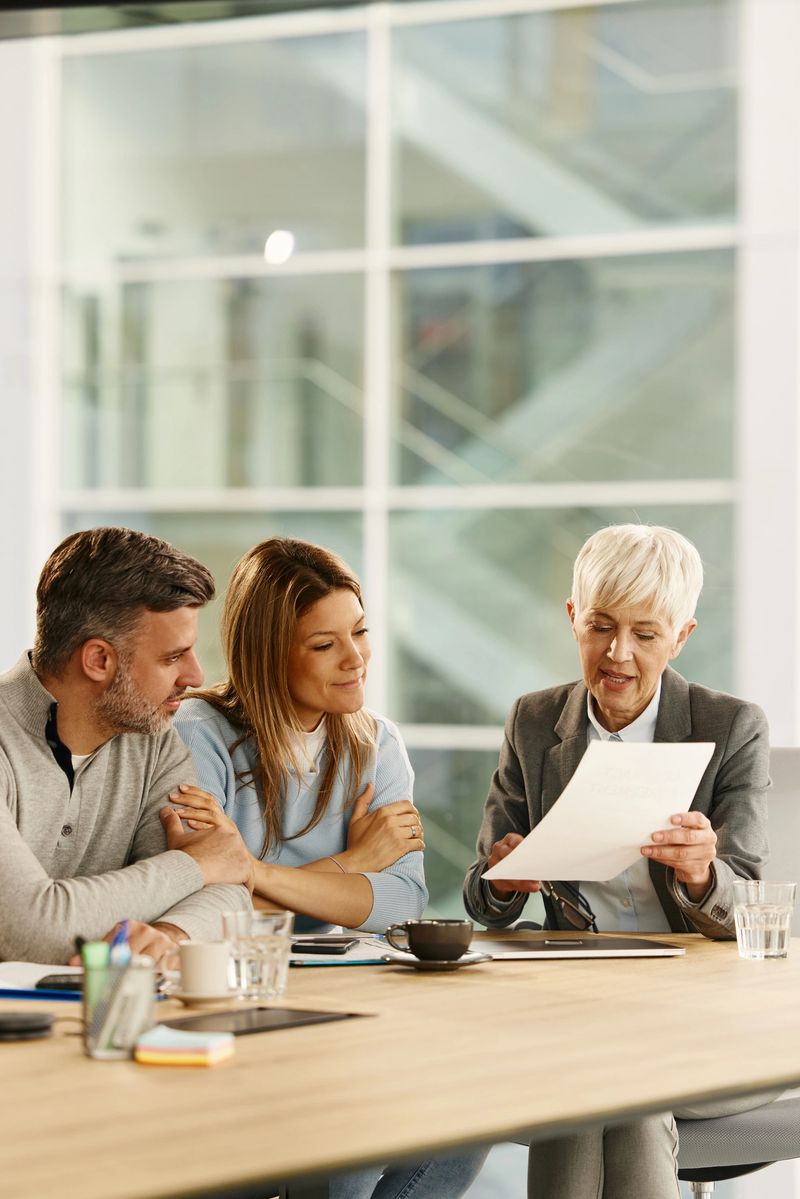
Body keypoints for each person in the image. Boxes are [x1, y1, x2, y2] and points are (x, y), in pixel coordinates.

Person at [173, 536, 488, 1199]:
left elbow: (400, 901)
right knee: (344, 1153)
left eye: (361, 631)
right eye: (324, 644)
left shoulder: (377, 742)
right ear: (268, 652)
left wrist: (253, 872)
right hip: (240, 1005)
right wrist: (350, 865)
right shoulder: (200, 732)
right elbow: (204, 903)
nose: (356, 659)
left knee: (473, 1108)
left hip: (358, 1003)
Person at [463, 523, 771, 1199]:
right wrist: (504, 878)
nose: (618, 653)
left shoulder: (732, 726)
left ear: (681, 636)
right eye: (600, 625)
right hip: (580, 999)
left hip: (701, 1010)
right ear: (574, 618)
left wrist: (702, 874)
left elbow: (749, 906)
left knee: (614, 1086)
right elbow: (480, 901)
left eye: (646, 633)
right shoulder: (535, 722)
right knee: (598, 1075)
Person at [0, 526, 252, 965]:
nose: (195, 676)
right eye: (172, 657)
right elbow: (29, 930)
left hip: (98, 1010)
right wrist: (194, 866)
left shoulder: (155, 741)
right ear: (98, 659)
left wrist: (170, 936)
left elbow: (230, 893)